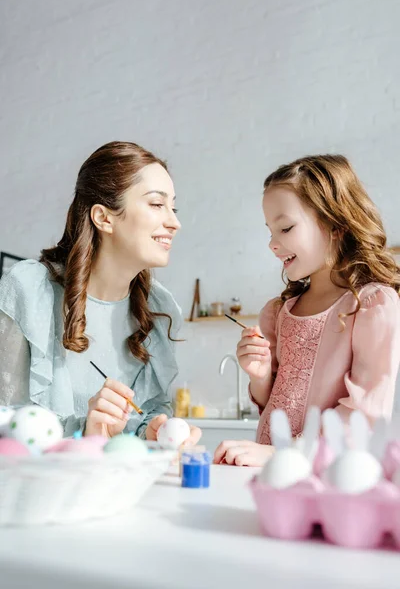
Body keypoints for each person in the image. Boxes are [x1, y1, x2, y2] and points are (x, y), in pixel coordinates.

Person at [0, 141, 201, 445]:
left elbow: (144, 416)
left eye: (173, 207)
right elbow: (7, 422)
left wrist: (152, 430)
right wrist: (85, 432)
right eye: (157, 204)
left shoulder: (159, 309)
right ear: (104, 217)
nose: (175, 222)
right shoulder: (28, 290)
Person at [214, 154, 400, 467]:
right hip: (269, 468)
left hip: (328, 476)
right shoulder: (277, 312)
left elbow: (365, 413)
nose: (273, 244)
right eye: (270, 231)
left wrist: (279, 454)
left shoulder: (372, 306)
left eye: (285, 228)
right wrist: (259, 376)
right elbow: (270, 403)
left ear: (335, 224)